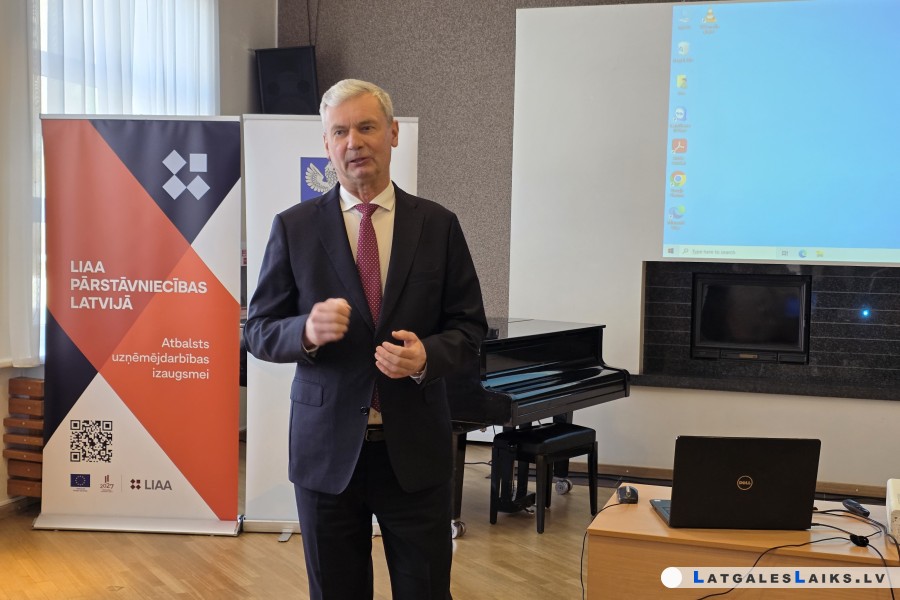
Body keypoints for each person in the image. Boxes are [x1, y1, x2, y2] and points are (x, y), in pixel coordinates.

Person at [243, 79, 487, 600]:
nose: (353, 142)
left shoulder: (439, 226)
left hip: (415, 453)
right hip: (326, 453)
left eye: (366, 127)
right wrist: (305, 331)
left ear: (393, 133)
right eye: (340, 132)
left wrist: (426, 357)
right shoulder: (294, 227)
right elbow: (258, 329)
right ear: (326, 144)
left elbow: (470, 330)